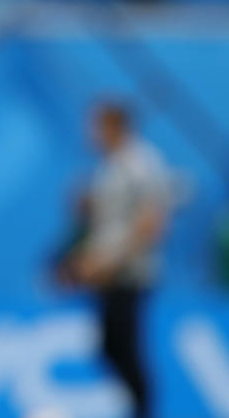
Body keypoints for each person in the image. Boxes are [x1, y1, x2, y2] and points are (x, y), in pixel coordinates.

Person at [59, 102, 170, 418]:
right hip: (109, 274)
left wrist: (107, 261)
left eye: (97, 126)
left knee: (126, 350)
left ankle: (143, 410)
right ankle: (136, 408)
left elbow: (149, 223)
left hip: (129, 274)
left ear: (114, 126)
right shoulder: (111, 166)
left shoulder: (140, 164)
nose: (91, 134)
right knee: (111, 347)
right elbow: (109, 223)